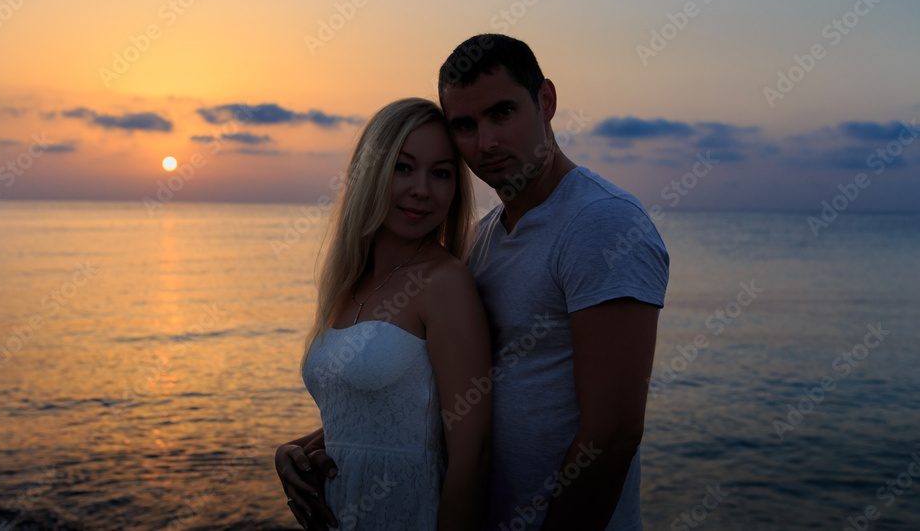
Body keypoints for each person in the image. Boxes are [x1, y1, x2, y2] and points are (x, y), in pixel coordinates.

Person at [278, 36, 669, 531]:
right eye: (465, 125)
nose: (485, 142)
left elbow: (612, 435)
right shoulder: (483, 239)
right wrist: (306, 448)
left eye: (502, 113)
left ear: (545, 101)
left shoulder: (600, 224)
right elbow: (438, 399)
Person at [276, 98, 492, 531]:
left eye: (442, 173)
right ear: (370, 171)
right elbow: (369, 414)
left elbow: (473, 454)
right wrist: (292, 452)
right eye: (403, 167)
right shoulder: (346, 282)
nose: (422, 190)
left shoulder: (445, 283)